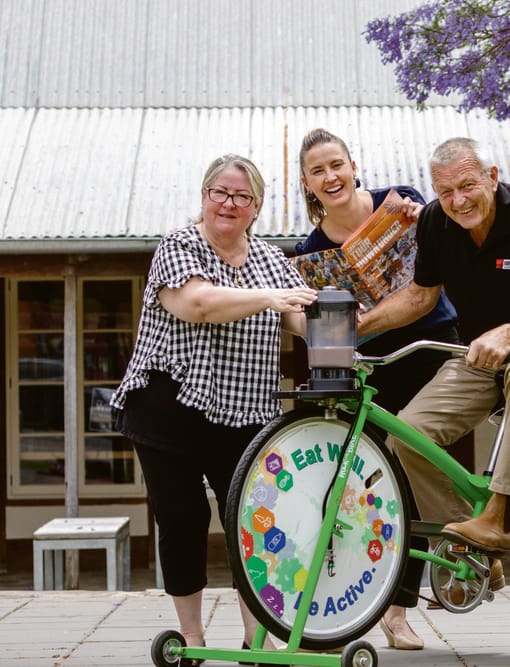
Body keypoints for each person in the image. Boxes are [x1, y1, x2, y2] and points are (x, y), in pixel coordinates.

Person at [110, 154, 318, 662]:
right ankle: (193, 640)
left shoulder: (272, 261)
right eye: (219, 193)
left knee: (256, 523)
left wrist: (335, 326)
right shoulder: (179, 246)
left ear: (257, 207)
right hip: (169, 405)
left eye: (241, 196)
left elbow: (302, 321)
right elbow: (197, 305)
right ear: (204, 197)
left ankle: (257, 642)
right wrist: (271, 298)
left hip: (245, 412)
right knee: (182, 519)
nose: (228, 203)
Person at [356, 136, 510, 594]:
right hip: (475, 359)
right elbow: (420, 296)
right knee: (406, 435)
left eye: (468, 185)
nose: (458, 201)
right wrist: (353, 328)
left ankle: (501, 517)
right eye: (445, 192)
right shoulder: (435, 223)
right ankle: (468, 545)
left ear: (492, 178)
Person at [295, 128, 462, 650]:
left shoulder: (404, 203)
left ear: (353, 165)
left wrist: (425, 222)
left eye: (336, 164)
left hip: (430, 344)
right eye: (319, 171)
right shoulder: (310, 252)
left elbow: (441, 262)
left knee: (415, 465)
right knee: (379, 479)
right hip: (371, 363)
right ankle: (389, 598)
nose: (331, 176)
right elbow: (314, 328)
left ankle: (401, 610)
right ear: (308, 184)